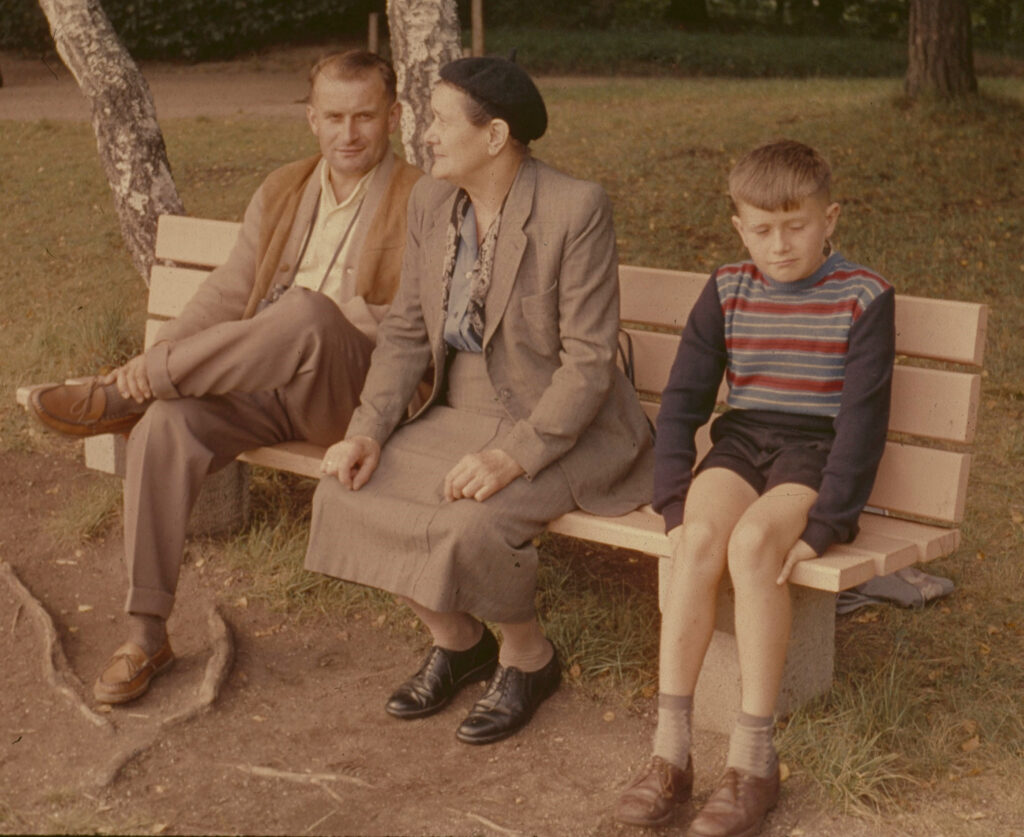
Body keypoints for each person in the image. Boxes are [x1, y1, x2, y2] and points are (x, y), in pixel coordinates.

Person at [28, 50, 422, 706]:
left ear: (395, 117)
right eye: (333, 117)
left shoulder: (424, 199)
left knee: (306, 313)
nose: (348, 133)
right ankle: (145, 632)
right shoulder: (283, 188)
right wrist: (162, 354)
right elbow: (229, 290)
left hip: (354, 402)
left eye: (364, 116)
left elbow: (417, 321)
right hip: (267, 385)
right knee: (165, 423)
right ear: (312, 119)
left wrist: (321, 321)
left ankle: (118, 396)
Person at [304, 56, 653, 745]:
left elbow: (588, 365)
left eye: (439, 121)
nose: (426, 135)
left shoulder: (575, 208)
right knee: (345, 492)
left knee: (471, 523)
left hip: (565, 424)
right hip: (459, 409)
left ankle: (528, 656)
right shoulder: (432, 203)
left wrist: (511, 456)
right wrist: (367, 430)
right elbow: (406, 332)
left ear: (494, 136)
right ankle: (459, 640)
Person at [614, 140, 895, 835]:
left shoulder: (863, 297)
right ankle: (670, 754)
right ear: (740, 227)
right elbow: (683, 402)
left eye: (796, 226)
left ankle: (752, 760)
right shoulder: (727, 288)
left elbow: (861, 426)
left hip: (812, 454)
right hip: (742, 445)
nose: (780, 245)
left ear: (830, 218)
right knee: (697, 540)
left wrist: (827, 523)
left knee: (754, 545)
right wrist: (673, 502)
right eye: (762, 229)